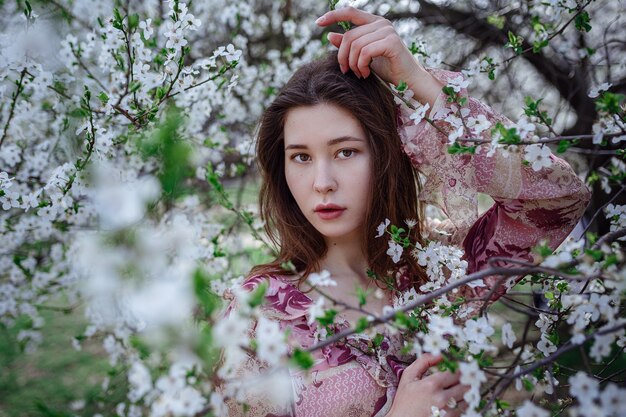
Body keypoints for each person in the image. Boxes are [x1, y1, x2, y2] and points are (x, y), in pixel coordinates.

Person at [219, 7, 590, 417]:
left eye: (346, 152)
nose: (322, 181)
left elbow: (557, 198)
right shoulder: (261, 311)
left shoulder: (441, 269)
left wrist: (416, 82)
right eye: (301, 157)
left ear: (387, 157)